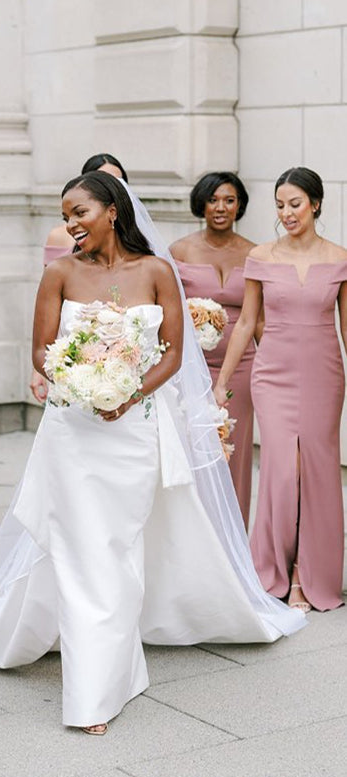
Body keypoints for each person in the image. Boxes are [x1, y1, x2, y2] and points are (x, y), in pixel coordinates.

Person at [0, 172, 305, 736]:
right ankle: (95, 689)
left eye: (79, 212)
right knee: (84, 549)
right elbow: (41, 352)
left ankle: (117, 663)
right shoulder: (59, 272)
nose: (71, 225)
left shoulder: (157, 271)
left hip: (134, 429)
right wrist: (82, 381)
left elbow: (174, 354)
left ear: (112, 211)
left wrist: (127, 391)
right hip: (72, 432)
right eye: (66, 216)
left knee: (116, 547)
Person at [214, 167, 347, 613]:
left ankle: (308, 578)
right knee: (280, 471)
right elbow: (246, 323)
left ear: (316, 205)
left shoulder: (339, 258)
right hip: (272, 375)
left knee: (317, 471)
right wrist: (220, 384)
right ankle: (274, 570)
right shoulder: (263, 258)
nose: (287, 213)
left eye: (295, 204)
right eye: (280, 205)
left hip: (324, 375)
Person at [170, 172, 256, 528]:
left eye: (229, 200)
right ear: (200, 204)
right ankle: (196, 537)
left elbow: (260, 317)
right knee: (193, 448)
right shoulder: (179, 250)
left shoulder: (255, 252)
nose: (221, 208)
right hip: (191, 365)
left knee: (234, 450)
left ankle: (235, 536)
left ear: (239, 205)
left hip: (242, 366)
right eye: (213, 200)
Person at [30, 153, 128, 403]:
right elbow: (46, 305)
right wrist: (41, 367)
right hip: (73, 350)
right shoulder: (60, 240)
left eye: (119, 182)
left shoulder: (143, 256)